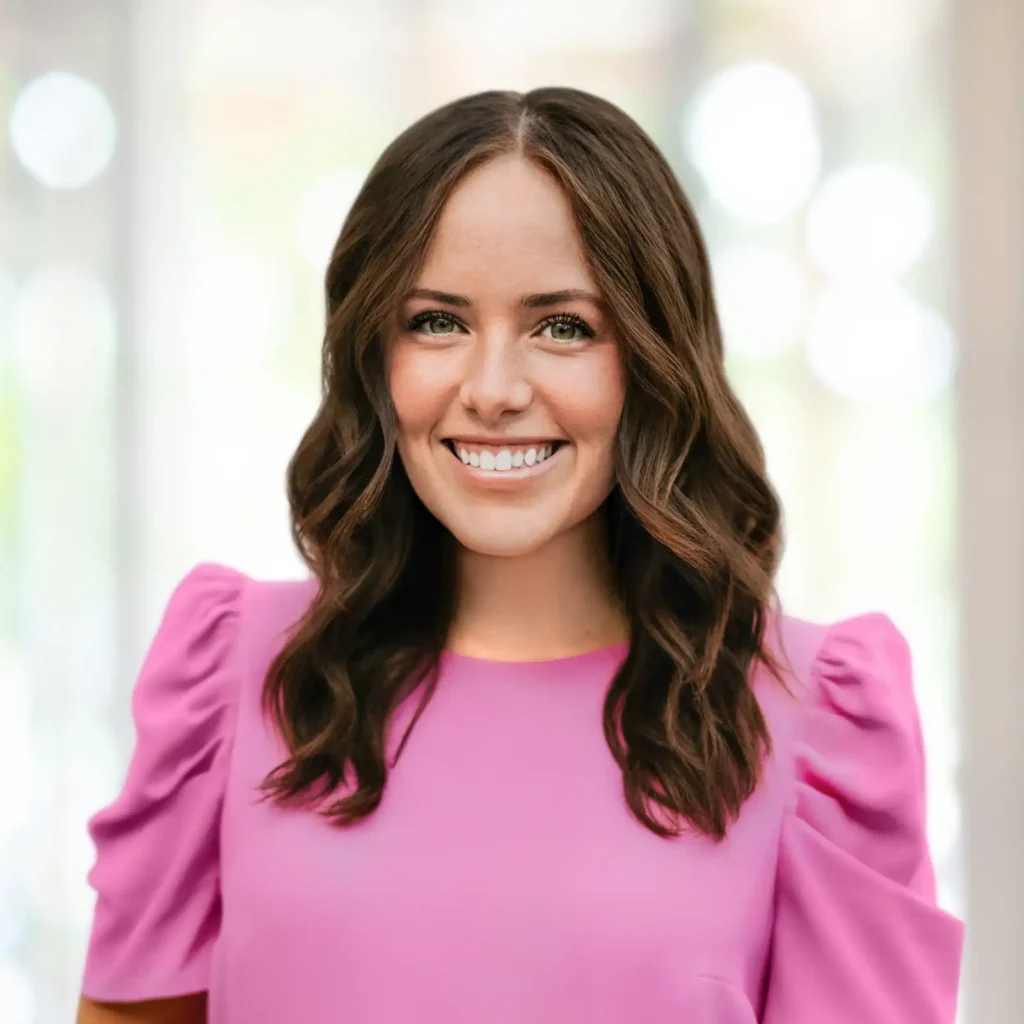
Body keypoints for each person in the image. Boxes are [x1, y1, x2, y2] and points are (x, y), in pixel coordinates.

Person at [76, 87, 964, 1024]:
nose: (493, 389)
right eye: (437, 321)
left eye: (563, 326)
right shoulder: (229, 673)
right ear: (373, 353)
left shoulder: (821, 722)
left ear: (655, 356)